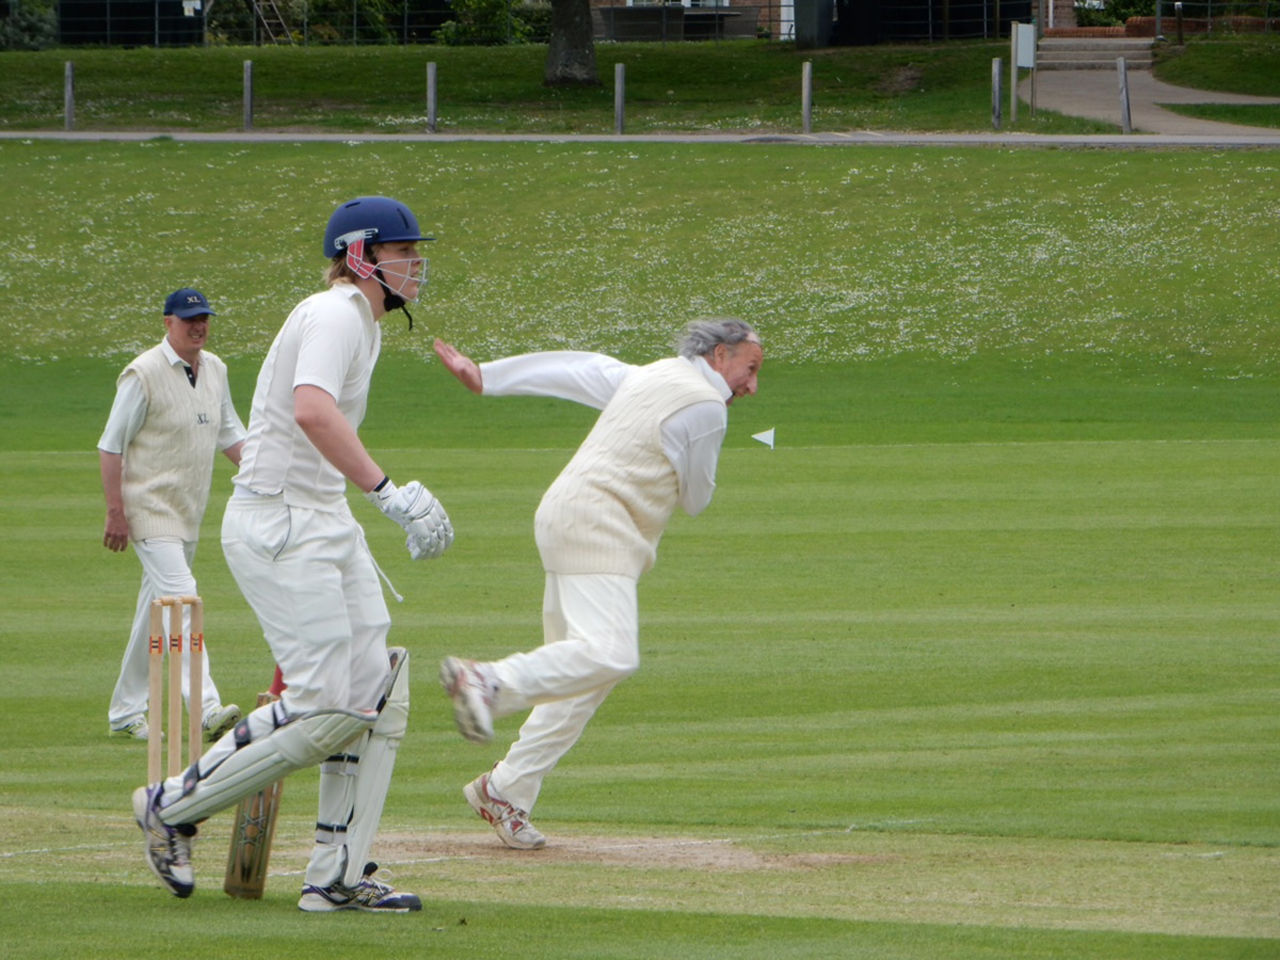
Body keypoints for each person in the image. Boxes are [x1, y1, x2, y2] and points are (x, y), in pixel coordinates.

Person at [130, 196, 454, 912]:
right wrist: (390, 492)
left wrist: (361, 501)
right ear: (363, 255)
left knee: (377, 692)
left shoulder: (361, 323)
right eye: (404, 252)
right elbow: (311, 409)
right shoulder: (337, 312)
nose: (416, 263)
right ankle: (171, 806)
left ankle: (335, 876)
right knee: (322, 705)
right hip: (278, 520)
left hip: (320, 518)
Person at [434, 318, 763, 850]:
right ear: (720, 356)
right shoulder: (704, 407)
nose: (752, 386)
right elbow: (696, 500)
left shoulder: (652, 375)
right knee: (612, 654)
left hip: (564, 515)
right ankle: (487, 680)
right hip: (597, 525)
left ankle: (505, 789)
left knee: (582, 673)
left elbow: (579, 368)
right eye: (749, 370)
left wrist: (488, 376)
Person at [99, 287, 245, 744]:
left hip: (188, 511)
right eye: (188, 320)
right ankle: (206, 708)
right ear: (167, 323)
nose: (198, 326)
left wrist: (273, 473)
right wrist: (116, 512)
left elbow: (231, 435)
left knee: (154, 612)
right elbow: (110, 445)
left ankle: (125, 711)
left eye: (203, 318)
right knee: (183, 601)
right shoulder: (141, 373)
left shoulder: (216, 368)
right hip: (149, 509)